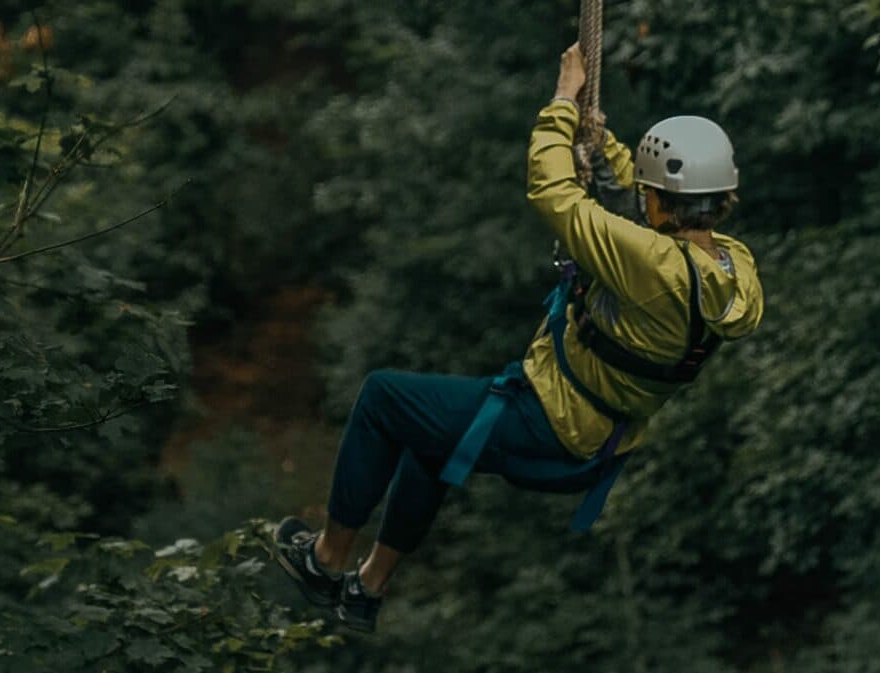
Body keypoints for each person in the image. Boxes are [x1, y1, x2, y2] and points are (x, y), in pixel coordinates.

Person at [266, 43, 766, 633]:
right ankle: (367, 589)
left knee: (382, 399)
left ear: (660, 203)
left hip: (548, 423)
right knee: (429, 438)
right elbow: (648, 197)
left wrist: (561, 102)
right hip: (596, 438)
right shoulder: (732, 269)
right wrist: (600, 142)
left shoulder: (652, 263)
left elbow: (553, 194)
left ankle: (324, 560)